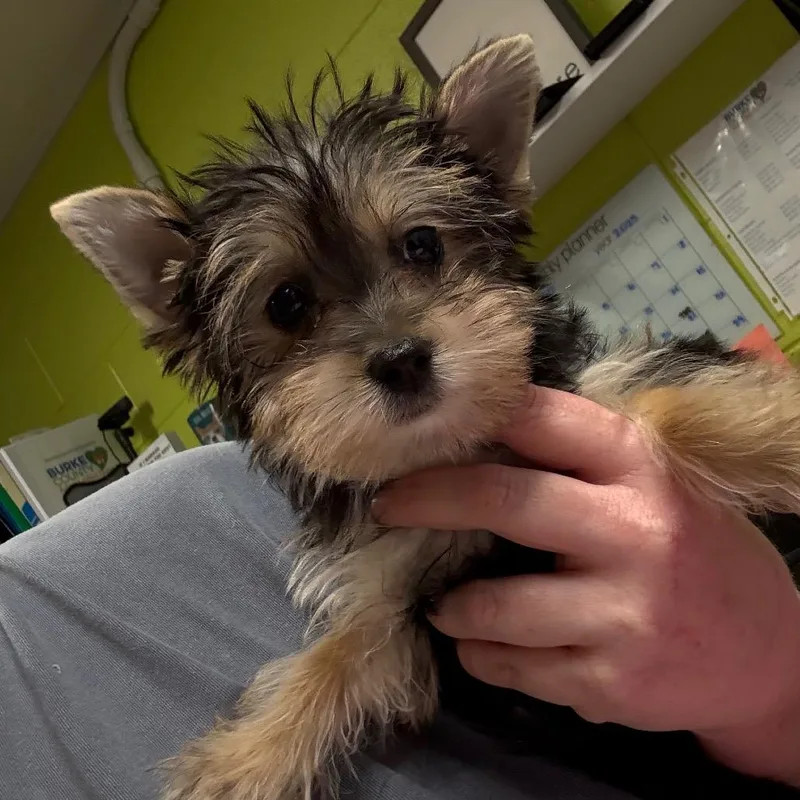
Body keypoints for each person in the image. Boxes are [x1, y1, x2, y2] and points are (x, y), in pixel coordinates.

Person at [2, 387, 799, 799]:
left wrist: (773, 679)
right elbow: (395, 624)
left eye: (422, 250)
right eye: (292, 308)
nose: (390, 339)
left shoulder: (191, 508)